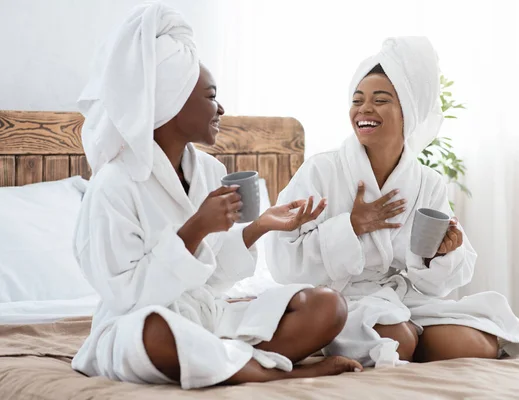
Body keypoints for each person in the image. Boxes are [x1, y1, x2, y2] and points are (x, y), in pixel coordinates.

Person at [71, 2, 362, 389]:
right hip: (140, 326)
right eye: (211, 97)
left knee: (327, 305)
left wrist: (258, 227)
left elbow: (218, 277)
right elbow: (126, 296)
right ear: (171, 103)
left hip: (208, 319)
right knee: (154, 332)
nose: (221, 108)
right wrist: (194, 229)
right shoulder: (114, 184)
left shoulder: (210, 172)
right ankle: (262, 370)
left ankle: (226, 361)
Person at [266, 36, 519, 367]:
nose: (364, 109)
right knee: (399, 339)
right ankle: (403, 339)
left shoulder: (427, 183)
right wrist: (351, 226)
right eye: (357, 99)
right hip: (335, 299)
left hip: (400, 297)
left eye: (380, 100)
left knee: (478, 345)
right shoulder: (321, 170)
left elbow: (436, 281)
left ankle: (409, 337)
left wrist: (441, 254)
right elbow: (281, 259)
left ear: (408, 111)